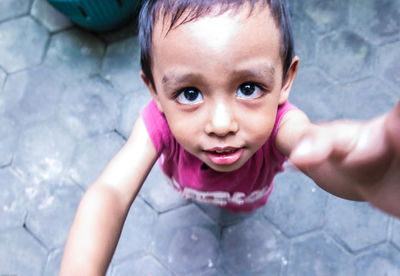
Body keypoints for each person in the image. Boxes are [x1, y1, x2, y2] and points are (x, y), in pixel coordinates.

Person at [60, 0, 400, 274]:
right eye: (190, 93)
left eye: (248, 88)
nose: (221, 124)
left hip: (249, 197)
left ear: (285, 80)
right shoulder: (156, 122)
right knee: (196, 201)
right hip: (189, 187)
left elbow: (315, 150)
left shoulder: (283, 124)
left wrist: (372, 177)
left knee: (242, 208)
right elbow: (110, 193)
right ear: (155, 92)